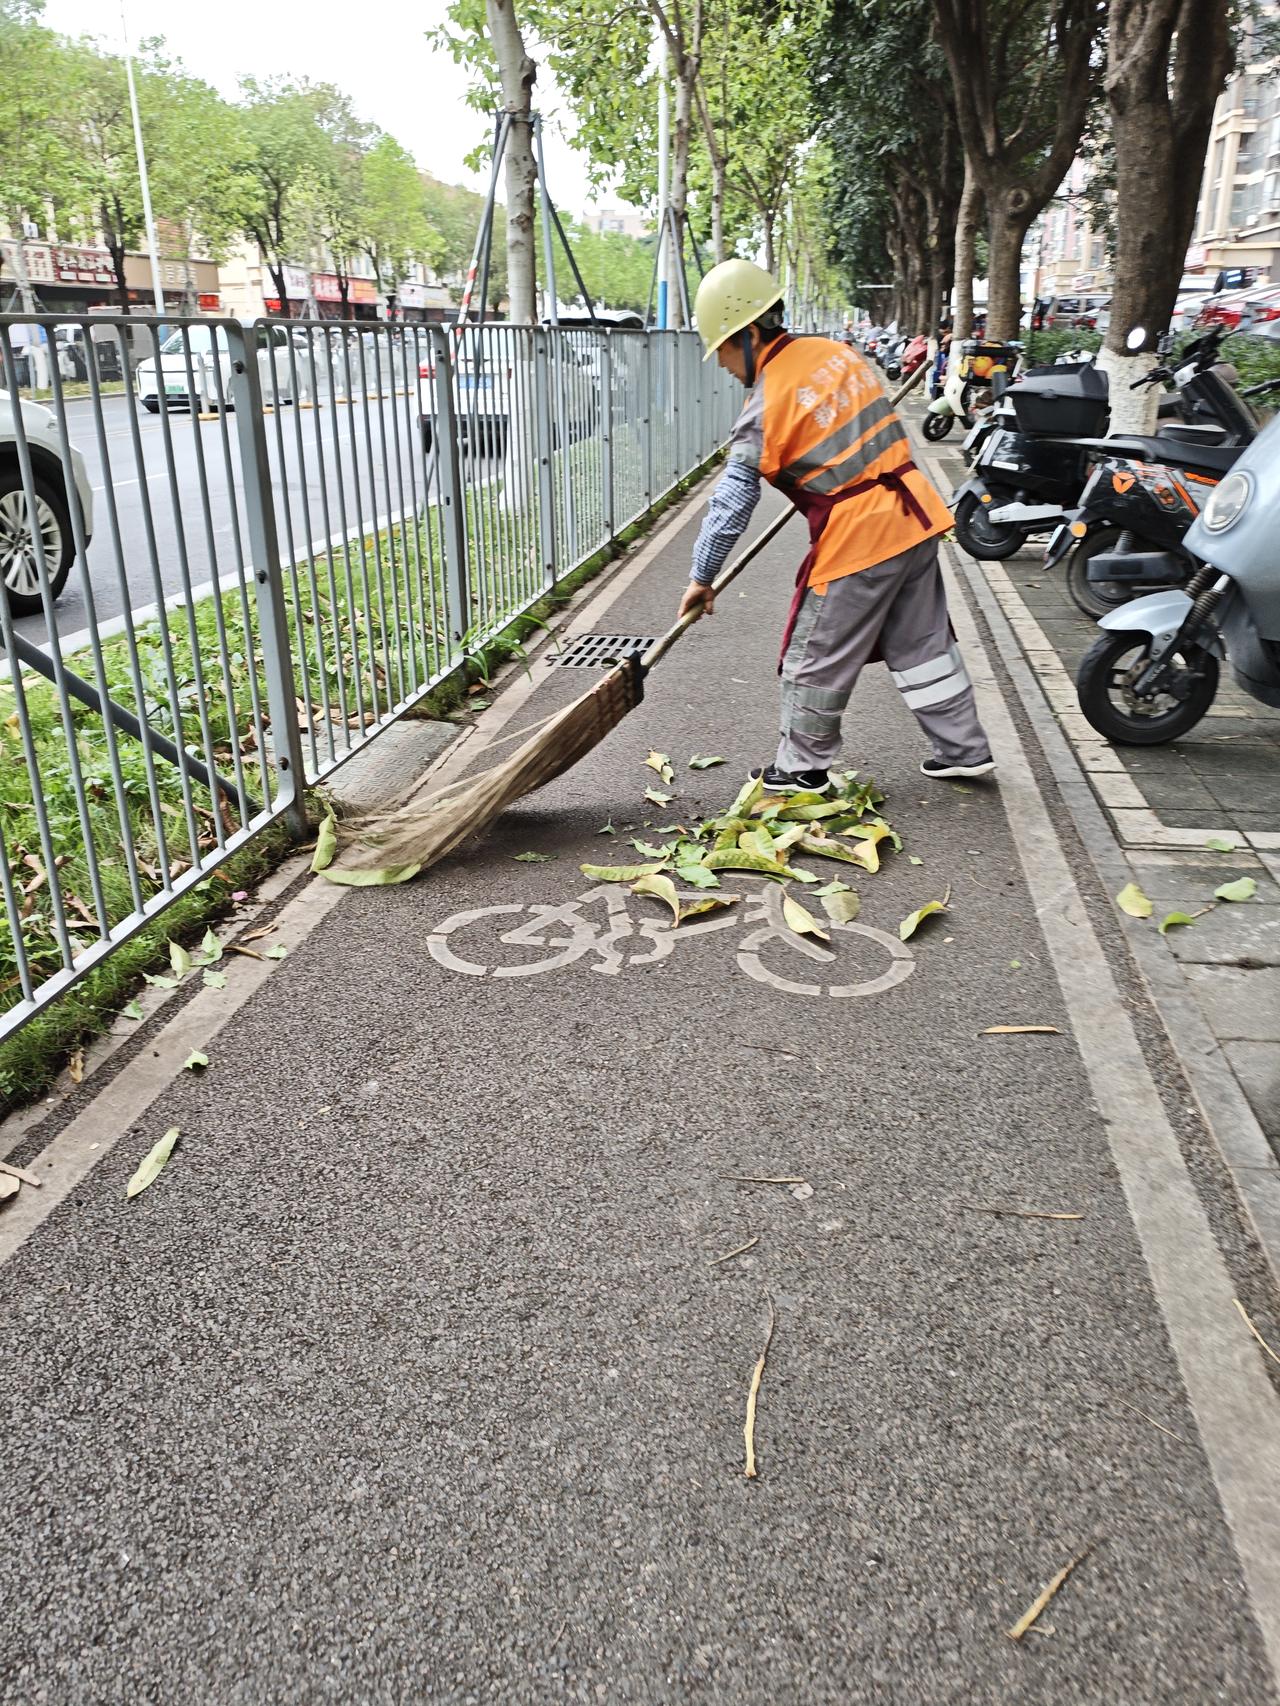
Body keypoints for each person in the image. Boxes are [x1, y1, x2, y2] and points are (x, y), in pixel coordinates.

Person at [678, 258, 994, 794]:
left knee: (814, 654)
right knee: (924, 645)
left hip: (861, 539)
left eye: (723, 350)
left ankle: (801, 767)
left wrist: (701, 577)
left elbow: (731, 504)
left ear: (749, 335)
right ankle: (964, 749)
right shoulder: (836, 354)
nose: (723, 366)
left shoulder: (765, 406)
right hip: (915, 517)